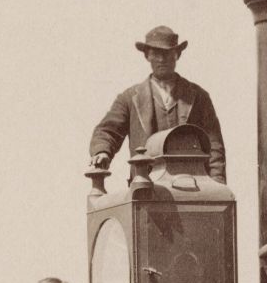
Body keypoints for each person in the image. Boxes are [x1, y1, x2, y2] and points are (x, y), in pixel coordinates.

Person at [89, 25, 226, 182]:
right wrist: (102, 152)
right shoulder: (129, 98)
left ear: (177, 55)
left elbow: (214, 145)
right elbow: (107, 131)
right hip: (146, 186)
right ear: (147, 56)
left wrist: (217, 184)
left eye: (167, 53)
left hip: (193, 185)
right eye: (156, 53)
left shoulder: (199, 96)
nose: (161, 59)